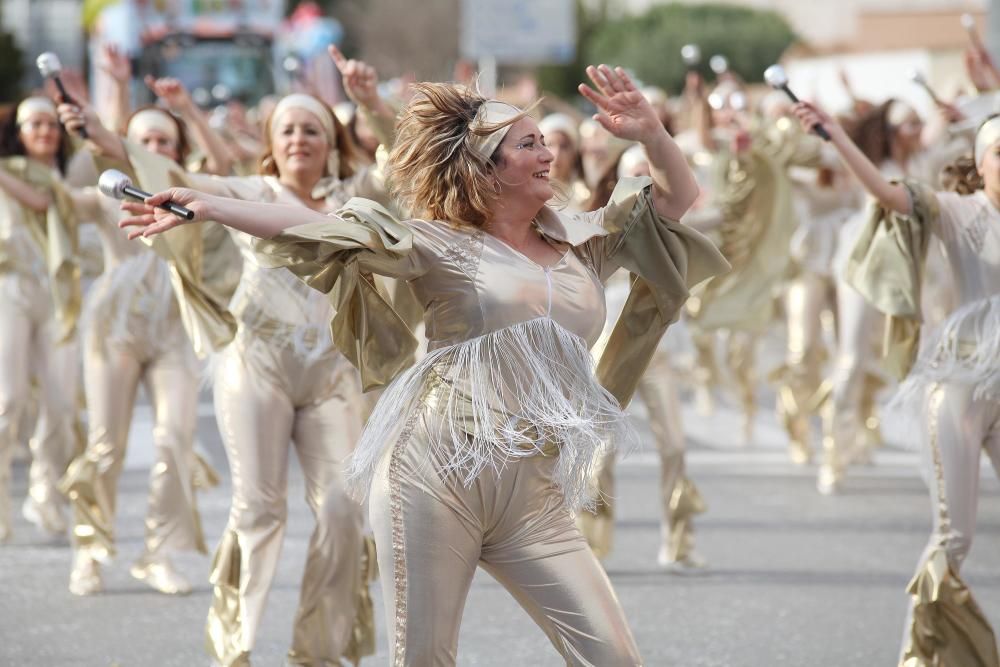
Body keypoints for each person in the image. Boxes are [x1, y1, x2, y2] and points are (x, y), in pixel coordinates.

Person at [119, 64, 728, 665]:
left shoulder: (586, 241)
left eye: (544, 140)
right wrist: (210, 206)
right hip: (434, 474)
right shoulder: (438, 244)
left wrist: (652, 134)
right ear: (485, 171)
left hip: (534, 495)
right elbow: (319, 227)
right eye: (526, 144)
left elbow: (678, 199)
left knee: (615, 658)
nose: (547, 152)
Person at [60, 46, 392, 666]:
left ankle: (316, 654)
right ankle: (235, 649)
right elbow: (174, 176)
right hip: (255, 364)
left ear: (332, 141)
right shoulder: (249, 188)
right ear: (271, 141)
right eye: (287, 128)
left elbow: (404, 164)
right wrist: (106, 133)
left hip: (332, 374)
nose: (299, 138)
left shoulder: (359, 196)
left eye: (312, 128)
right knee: (260, 509)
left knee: (346, 511)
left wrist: (373, 101)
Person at [792, 100, 1000, 667]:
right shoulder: (958, 211)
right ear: (981, 165)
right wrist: (835, 134)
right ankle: (920, 653)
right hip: (961, 387)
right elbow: (887, 194)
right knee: (954, 536)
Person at [59, 105, 215, 597]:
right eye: (144, 140)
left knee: (175, 439)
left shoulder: (197, 199)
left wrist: (192, 115)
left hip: (174, 331)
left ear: (178, 152)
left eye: (165, 142)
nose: (155, 150)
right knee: (106, 446)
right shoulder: (106, 196)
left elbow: (231, 164)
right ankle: (89, 545)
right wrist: (84, 137)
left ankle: (159, 554)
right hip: (114, 330)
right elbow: (59, 196)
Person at [0, 97, 80, 542]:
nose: (46, 131)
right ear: (19, 130)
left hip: (60, 296)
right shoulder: (8, 169)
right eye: (35, 124)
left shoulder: (70, 174)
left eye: (52, 124)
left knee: (62, 402)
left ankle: (44, 492)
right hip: (10, 291)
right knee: (7, 401)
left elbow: (44, 199)